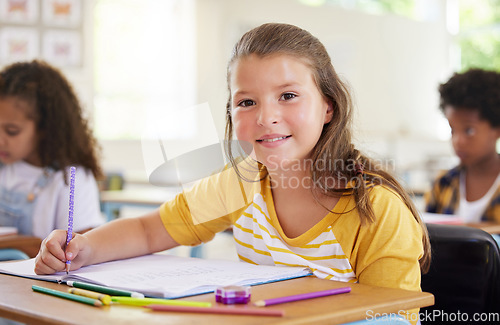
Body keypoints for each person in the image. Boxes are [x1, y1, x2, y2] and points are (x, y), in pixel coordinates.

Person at [34, 23, 430, 324]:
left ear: (328, 107)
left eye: (288, 96)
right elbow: (149, 230)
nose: (266, 117)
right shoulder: (240, 182)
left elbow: (392, 317)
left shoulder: (376, 209)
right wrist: (85, 247)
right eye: (246, 102)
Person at [0, 60, 105, 239]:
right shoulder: (5, 167)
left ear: (44, 128)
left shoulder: (72, 179)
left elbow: (77, 249)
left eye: (12, 131)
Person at [425, 68, 500, 222]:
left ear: (496, 129)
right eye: (453, 131)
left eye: (469, 130)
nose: (458, 141)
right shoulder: (443, 183)